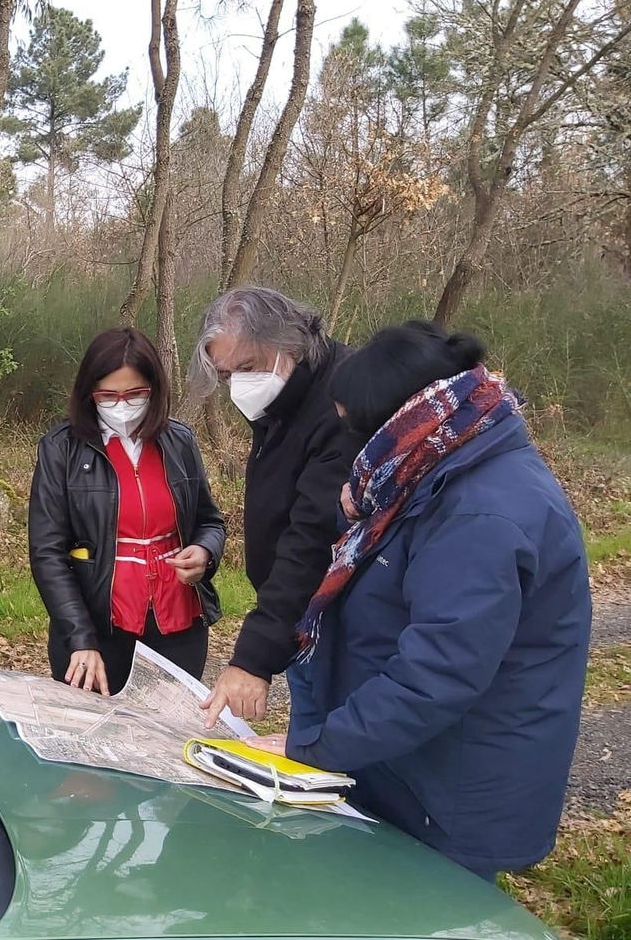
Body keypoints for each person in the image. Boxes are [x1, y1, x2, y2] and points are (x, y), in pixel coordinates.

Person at [247, 322, 590, 881]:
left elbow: (436, 675)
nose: (354, 451)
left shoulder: (482, 516)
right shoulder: (432, 472)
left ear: (402, 424)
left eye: (358, 433)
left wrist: (312, 748)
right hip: (405, 762)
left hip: (449, 791)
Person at [190, 287, 362, 727]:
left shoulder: (340, 405)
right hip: (303, 621)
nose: (239, 384)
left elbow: (312, 538)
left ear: (289, 344)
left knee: (333, 749)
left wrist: (253, 658)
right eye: (227, 375)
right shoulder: (279, 400)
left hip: (344, 619)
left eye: (246, 367)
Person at [29, 327, 226, 694]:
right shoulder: (61, 449)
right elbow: (47, 553)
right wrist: (80, 637)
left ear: (155, 389)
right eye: (108, 395)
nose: (122, 405)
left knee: (166, 738)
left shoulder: (179, 442)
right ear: (90, 392)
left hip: (178, 624)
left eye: (135, 394)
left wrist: (206, 552)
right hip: (99, 627)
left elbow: (209, 521)